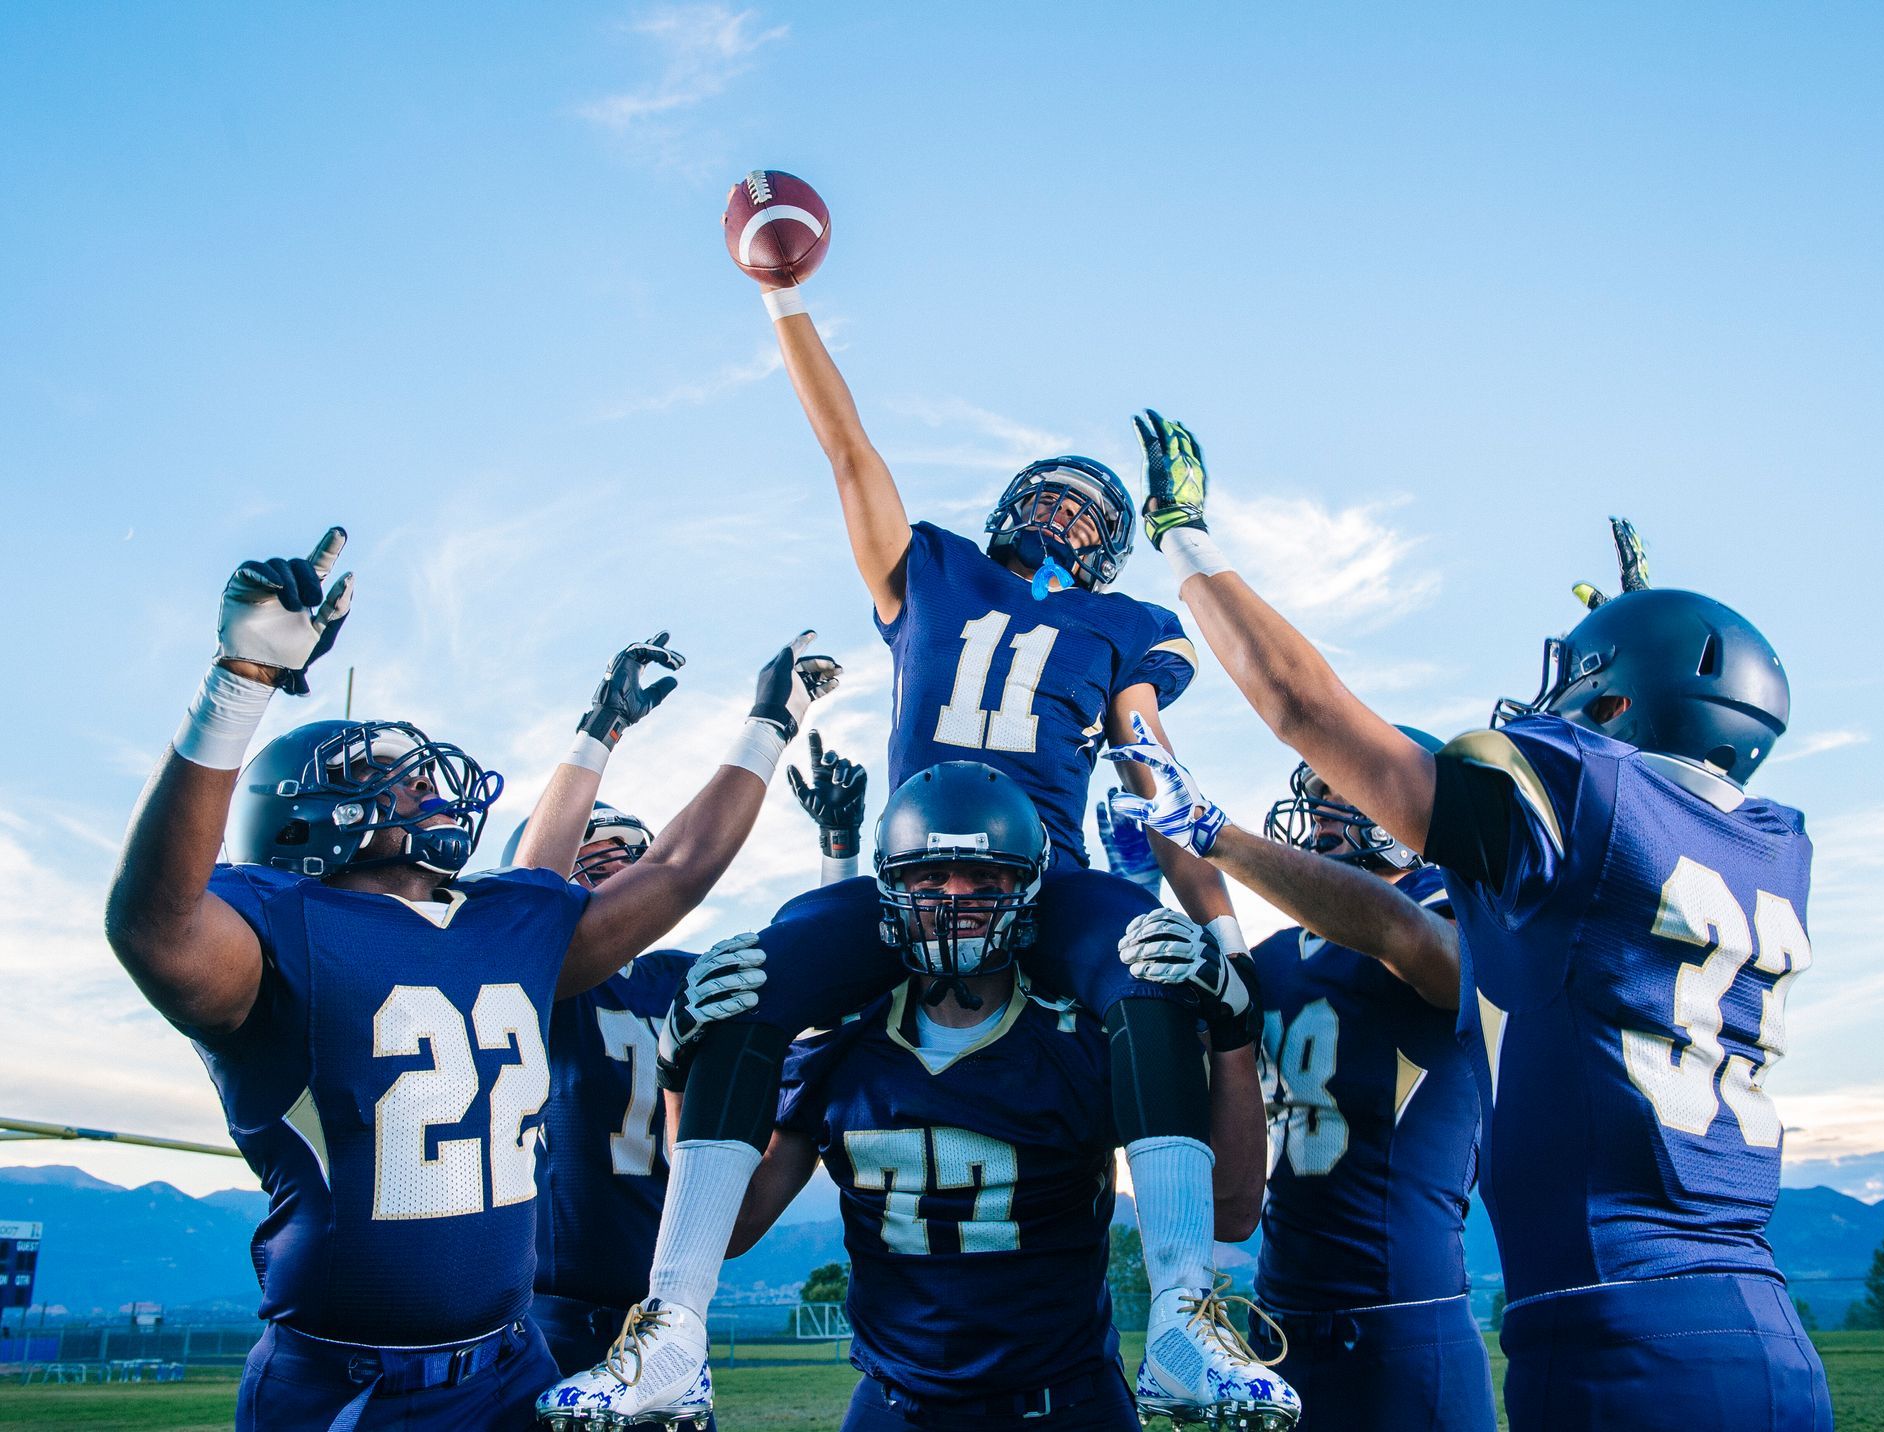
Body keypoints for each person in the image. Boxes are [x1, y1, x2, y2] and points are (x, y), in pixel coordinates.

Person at [537, 213, 1274, 1425]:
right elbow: (846, 450)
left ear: (1113, 553)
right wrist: (784, 303)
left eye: (1094, 514)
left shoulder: (1121, 625)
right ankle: (668, 1329)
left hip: (1050, 874)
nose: (1068, 517)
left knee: (1152, 971)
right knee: (735, 983)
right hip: (910, 870)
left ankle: (1188, 1314)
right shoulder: (926, 568)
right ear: (1002, 509)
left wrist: (1221, 937)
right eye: (1051, 498)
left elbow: (1156, 771)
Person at [1114, 424, 1833, 1432]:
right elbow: (1669, 776)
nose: (1553, 709)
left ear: (1617, 704)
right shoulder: (1772, 840)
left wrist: (1185, 538)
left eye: (1580, 685)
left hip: (1613, 1337)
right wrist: (1651, 632)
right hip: (1753, 1319)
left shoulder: (1551, 830)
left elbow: (1301, 705)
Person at [102, 530, 839, 1431]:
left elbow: (680, 867)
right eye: (383, 772)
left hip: (512, 1359)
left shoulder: (499, 927)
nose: (423, 780)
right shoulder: (278, 927)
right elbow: (155, 923)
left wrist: (765, 728)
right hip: (352, 1383)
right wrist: (240, 681)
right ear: (304, 818)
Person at [744, 763, 1299, 1431]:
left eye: (986, 878)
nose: (957, 898)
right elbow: (738, 1224)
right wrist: (676, 1075)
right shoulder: (841, 1043)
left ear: (1027, 886)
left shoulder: (1083, 1038)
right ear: (891, 888)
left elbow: (1233, 1213)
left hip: (1065, 1404)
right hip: (895, 1405)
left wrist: (1233, 1035)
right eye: (931, 878)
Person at [1109, 746, 1496, 1431]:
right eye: (1313, 791)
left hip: (1404, 1329)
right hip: (1279, 1331)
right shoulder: (1283, 955)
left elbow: (1410, 942)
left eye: (1340, 787)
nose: (1316, 810)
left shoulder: (1446, 912)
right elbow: (1212, 1159)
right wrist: (1138, 894)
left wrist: (1211, 834)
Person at [510, 697, 870, 1376]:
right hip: (550, 1314)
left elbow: (819, 1002)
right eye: (600, 849)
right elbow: (525, 901)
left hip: (669, 1310)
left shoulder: (684, 976)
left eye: (634, 853)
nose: (625, 865)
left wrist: (837, 860)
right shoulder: (537, 985)